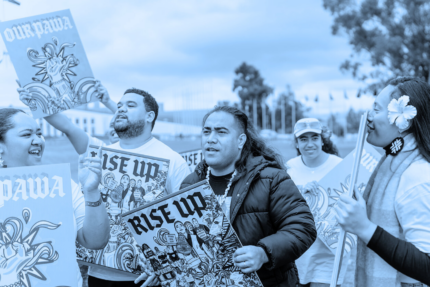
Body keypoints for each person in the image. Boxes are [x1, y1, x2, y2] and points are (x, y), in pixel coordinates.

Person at [179, 106, 317, 287]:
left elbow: (302, 227)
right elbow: (182, 238)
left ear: (240, 140)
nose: (211, 139)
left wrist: (263, 253)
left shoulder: (271, 179)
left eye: (221, 132)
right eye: (207, 131)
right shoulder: (190, 183)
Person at [89, 88, 190, 286]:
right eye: (119, 106)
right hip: (98, 272)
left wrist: (167, 266)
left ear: (149, 116)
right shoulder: (98, 156)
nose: (121, 109)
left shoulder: (172, 160)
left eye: (130, 105)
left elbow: (187, 221)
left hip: (146, 279)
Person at [335, 76, 430, 287]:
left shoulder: (417, 174)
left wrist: (365, 228)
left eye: (377, 110)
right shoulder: (390, 161)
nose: (368, 117)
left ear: (403, 120)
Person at [0, 108, 110, 287]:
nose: (38, 140)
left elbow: (95, 240)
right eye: (27, 134)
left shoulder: (63, 184)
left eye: (39, 133)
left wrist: (91, 191)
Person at [285, 118, 344, 287]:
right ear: (296, 143)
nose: (310, 144)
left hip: (328, 253)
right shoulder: (289, 168)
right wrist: (300, 191)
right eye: (303, 139)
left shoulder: (339, 166)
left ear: (322, 140)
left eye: (314, 138)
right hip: (298, 252)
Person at [18, 80, 119, 156]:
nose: (116, 128)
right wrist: (35, 103)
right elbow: (67, 126)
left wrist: (108, 102)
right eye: (112, 125)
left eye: (120, 124)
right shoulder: (101, 152)